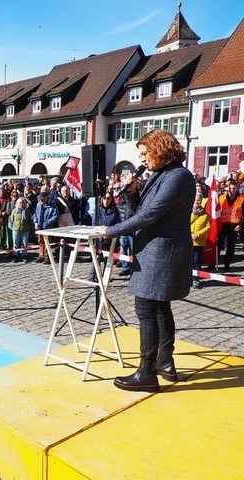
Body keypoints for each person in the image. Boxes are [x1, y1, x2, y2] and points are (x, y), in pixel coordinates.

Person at [102, 130, 196, 392]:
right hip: (155, 251)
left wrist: (109, 231)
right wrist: (127, 195)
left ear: (160, 149)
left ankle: (146, 372)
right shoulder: (161, 175)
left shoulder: (178, 176)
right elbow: (139, 212)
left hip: (162, 253)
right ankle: (165, 361)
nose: (142, 160)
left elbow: (151, 215)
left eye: (145, 154)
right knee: (159, 307)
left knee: (146, 309)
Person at [217, 180, 243, 271]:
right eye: (230, 188)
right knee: (219, 244)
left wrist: (241, 224)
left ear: (237, 188)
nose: (232, 190)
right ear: (228, 188)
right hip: (222, 224)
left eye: (234, 188)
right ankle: (214, 263)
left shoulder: (242, 199)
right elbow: (217, 211)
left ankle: (227, 265)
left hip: (234, 225)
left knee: (231, 246)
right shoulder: (221, 198)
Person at [190, 195, 210, 289]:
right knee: (189, 261)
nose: (197, 202)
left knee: (197, 261)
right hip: (188, 241)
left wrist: (197, 234)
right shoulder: (189, 211)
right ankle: (188, 279)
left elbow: (208, 227)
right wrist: (194, 214)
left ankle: (196, 279)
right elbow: (186, 222)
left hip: (198, 242)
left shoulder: (205, 213)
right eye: (196, 200)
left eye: (199, 201)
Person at [33, 191, 58, 264]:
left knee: (48, 242)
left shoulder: (52, 205)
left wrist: (47, 223)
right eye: (41, 199)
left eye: (43, 199)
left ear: (47, 198)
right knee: (40, 242)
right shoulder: (38, 204)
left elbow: (55, 216)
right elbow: (35, 214)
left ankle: (48, 257)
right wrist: (35, 222)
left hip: (48, 227)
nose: (41, 201)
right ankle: (41, 256)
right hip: (39, 227)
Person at [9, 197, 33, 262]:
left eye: (23, 202)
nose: (21, 204)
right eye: (20, 202)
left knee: (24, 243)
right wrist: (12, 227)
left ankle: (24, 256)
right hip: (16, 229)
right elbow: (11, 219)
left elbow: (30, 220)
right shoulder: (14, 210)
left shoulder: (27, 211)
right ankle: (15, 255)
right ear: (17, 203)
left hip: (25, 229)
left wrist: (29, 228)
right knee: (15, 243)